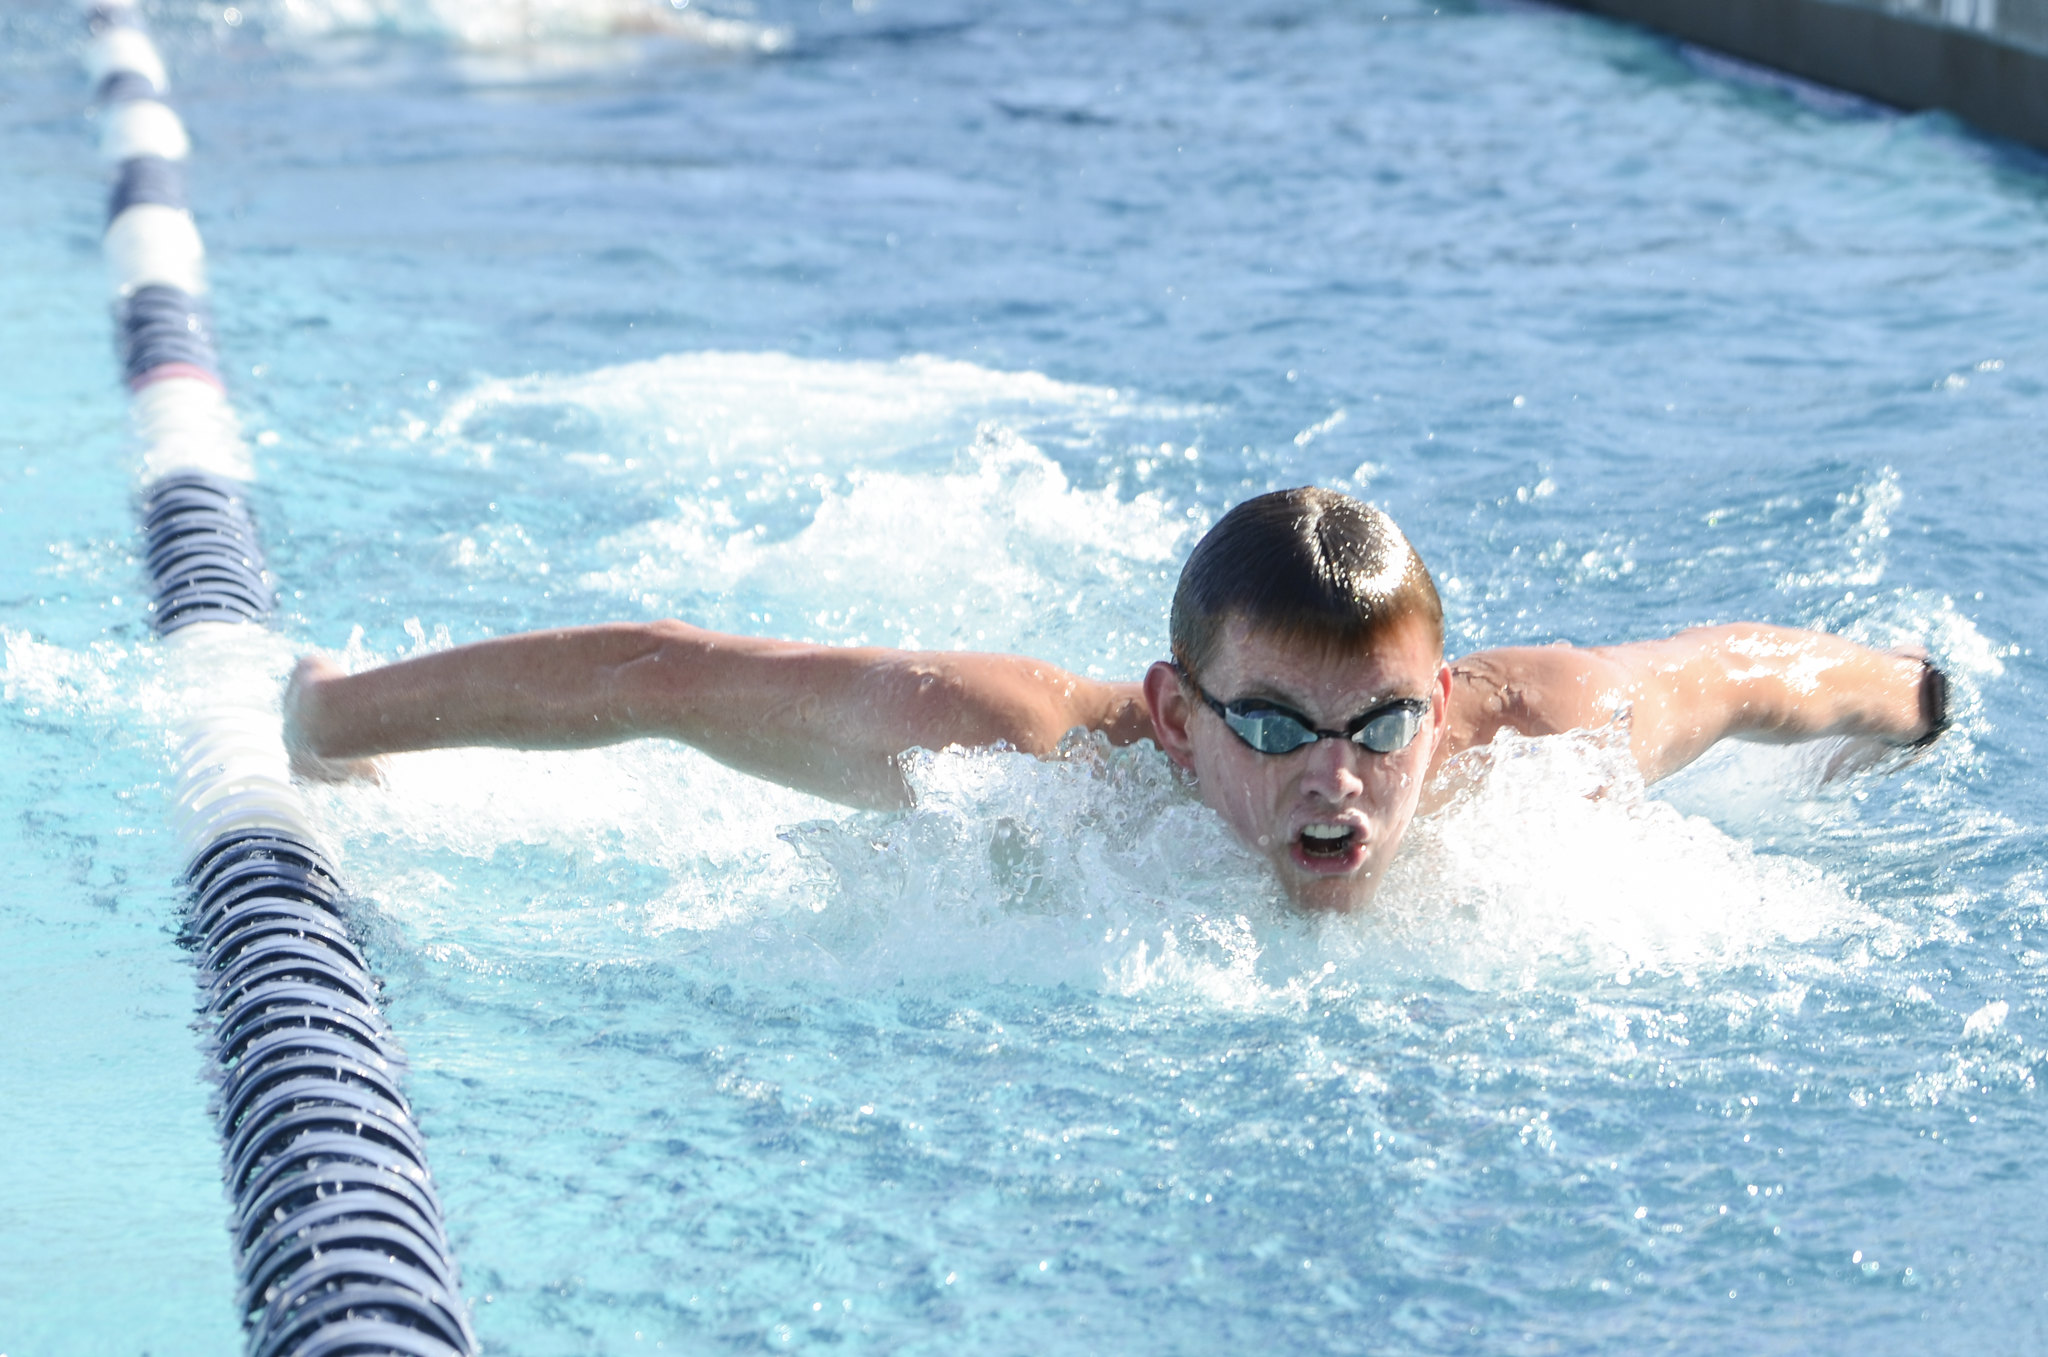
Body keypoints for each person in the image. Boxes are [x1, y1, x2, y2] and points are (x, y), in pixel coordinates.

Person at [283, 487, 1948, 913]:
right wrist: (332, 723)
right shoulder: (1022, 757)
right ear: (1174, 714)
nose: (1338, 780)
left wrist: (1921, 698)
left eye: (1380, 724)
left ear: (1440, 702)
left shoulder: (1531, 742)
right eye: (1274, 725)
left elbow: (1744, 673)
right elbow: (669, 674)